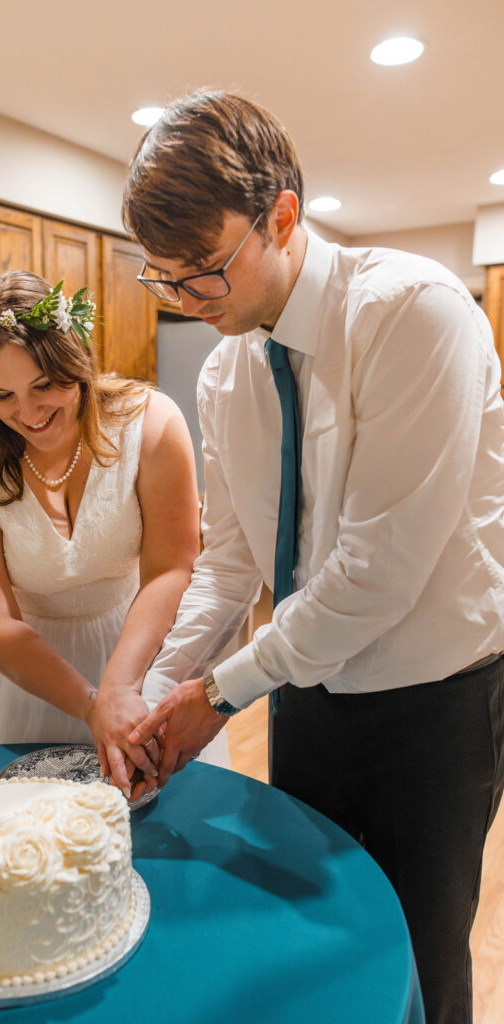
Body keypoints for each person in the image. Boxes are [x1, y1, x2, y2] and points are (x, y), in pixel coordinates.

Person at [122, 90, 504, 1024]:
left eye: (203, 274)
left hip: (434, 703)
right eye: (164, 282)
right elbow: (230, 562)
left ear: (281, 217)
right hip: (300, 691)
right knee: (305, 940)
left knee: (416, 959)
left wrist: (217, 695)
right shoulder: (226, 371)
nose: (186, 303)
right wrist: (159, 691)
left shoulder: (413, 314)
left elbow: (379, 572)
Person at [0, 269, 227, 796]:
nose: (29, 413)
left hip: (134, 648)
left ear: (76, 361)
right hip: (18, 672)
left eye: (44, 385)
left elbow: (171, 568)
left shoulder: (151, 424)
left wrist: (118, 687)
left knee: (142, 814)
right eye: (3, 395)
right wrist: (91, 704)